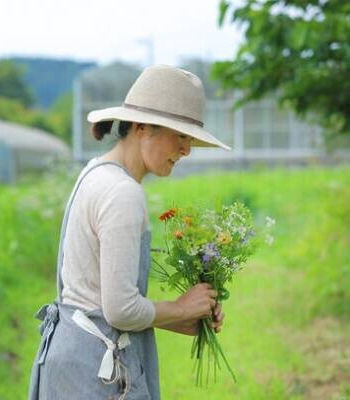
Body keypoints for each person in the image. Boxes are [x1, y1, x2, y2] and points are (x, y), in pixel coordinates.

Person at [28, 65, 232, 400]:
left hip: (72, 354)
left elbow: (96, 297)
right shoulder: (123, 192)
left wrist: (183, 317)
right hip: (94, 372)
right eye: (179, 135)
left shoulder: (96, 173)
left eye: (189, 138)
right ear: (141, 127)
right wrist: (181, 307)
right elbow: (120, 310)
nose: (187, 150)